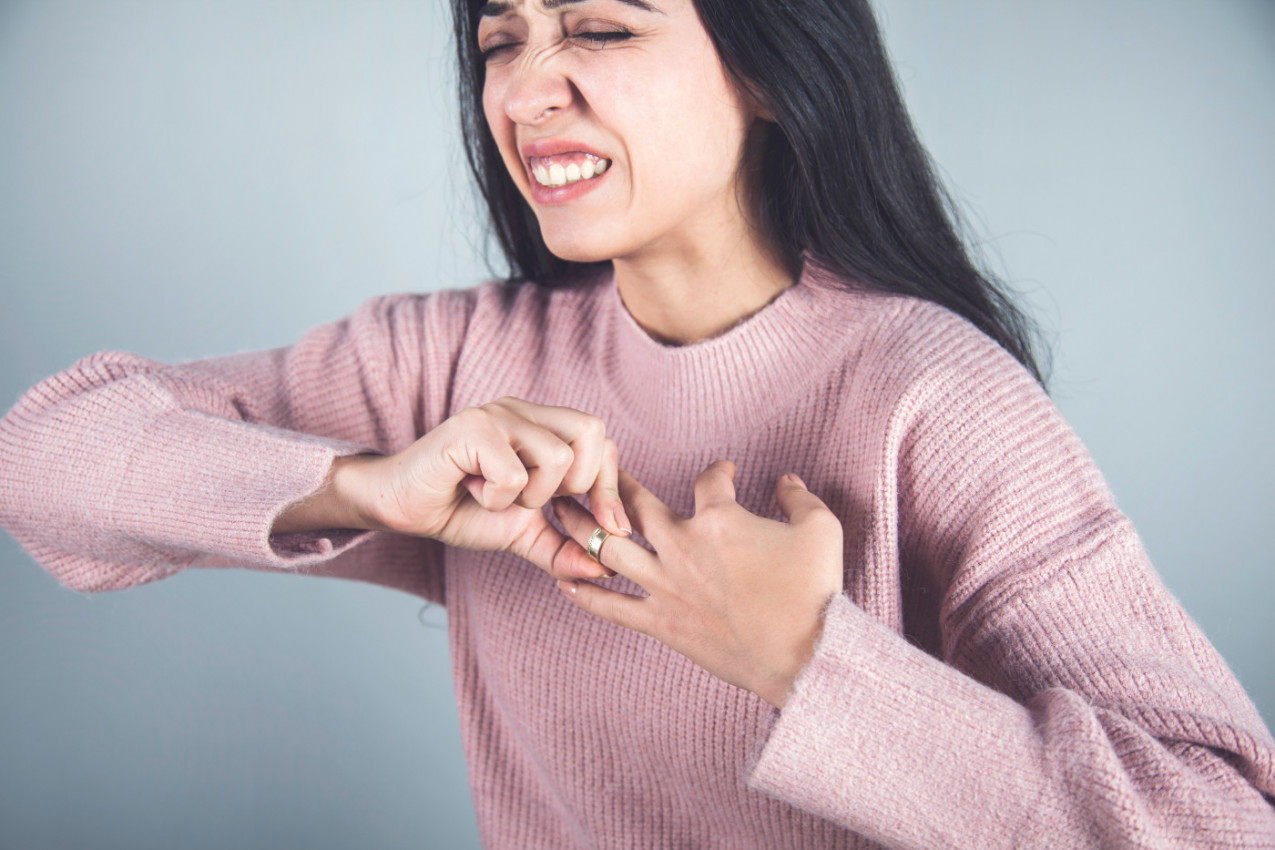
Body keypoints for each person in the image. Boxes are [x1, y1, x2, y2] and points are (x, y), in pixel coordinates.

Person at [1, 0, 1273, 847]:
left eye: (599, 28)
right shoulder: (454, 368)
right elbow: (42, 459)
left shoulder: (934, 398)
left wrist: (810, 661)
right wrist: (368, 483)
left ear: (770, 65)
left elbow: (1224, 823)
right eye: (500, 39)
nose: (525, 91)